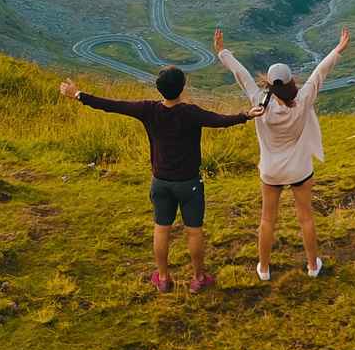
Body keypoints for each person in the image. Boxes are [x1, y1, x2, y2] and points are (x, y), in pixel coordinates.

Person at [58, 65, 263, 294]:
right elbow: (220, 120)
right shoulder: (190, 112)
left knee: (161, 229)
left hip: (161, 182)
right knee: (194, 231)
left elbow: (111, 105)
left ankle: (163, 279)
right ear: (182, 88)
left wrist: (78, 94)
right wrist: (245, 115)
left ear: (159, 89)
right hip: (189, 183)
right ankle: (198, 278)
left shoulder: (148, 110)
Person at [214, 26, 349, 280]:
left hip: (271, 172)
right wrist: (338, 49)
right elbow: (320, 73)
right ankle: (312, 266)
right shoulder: (304, 99)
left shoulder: (258, 103)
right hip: (299, 170)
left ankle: (264, 269)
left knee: (267, 220)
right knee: (306, 219)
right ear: (290, 82)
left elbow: (241, 74)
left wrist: (223, 52)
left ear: (268, 84)